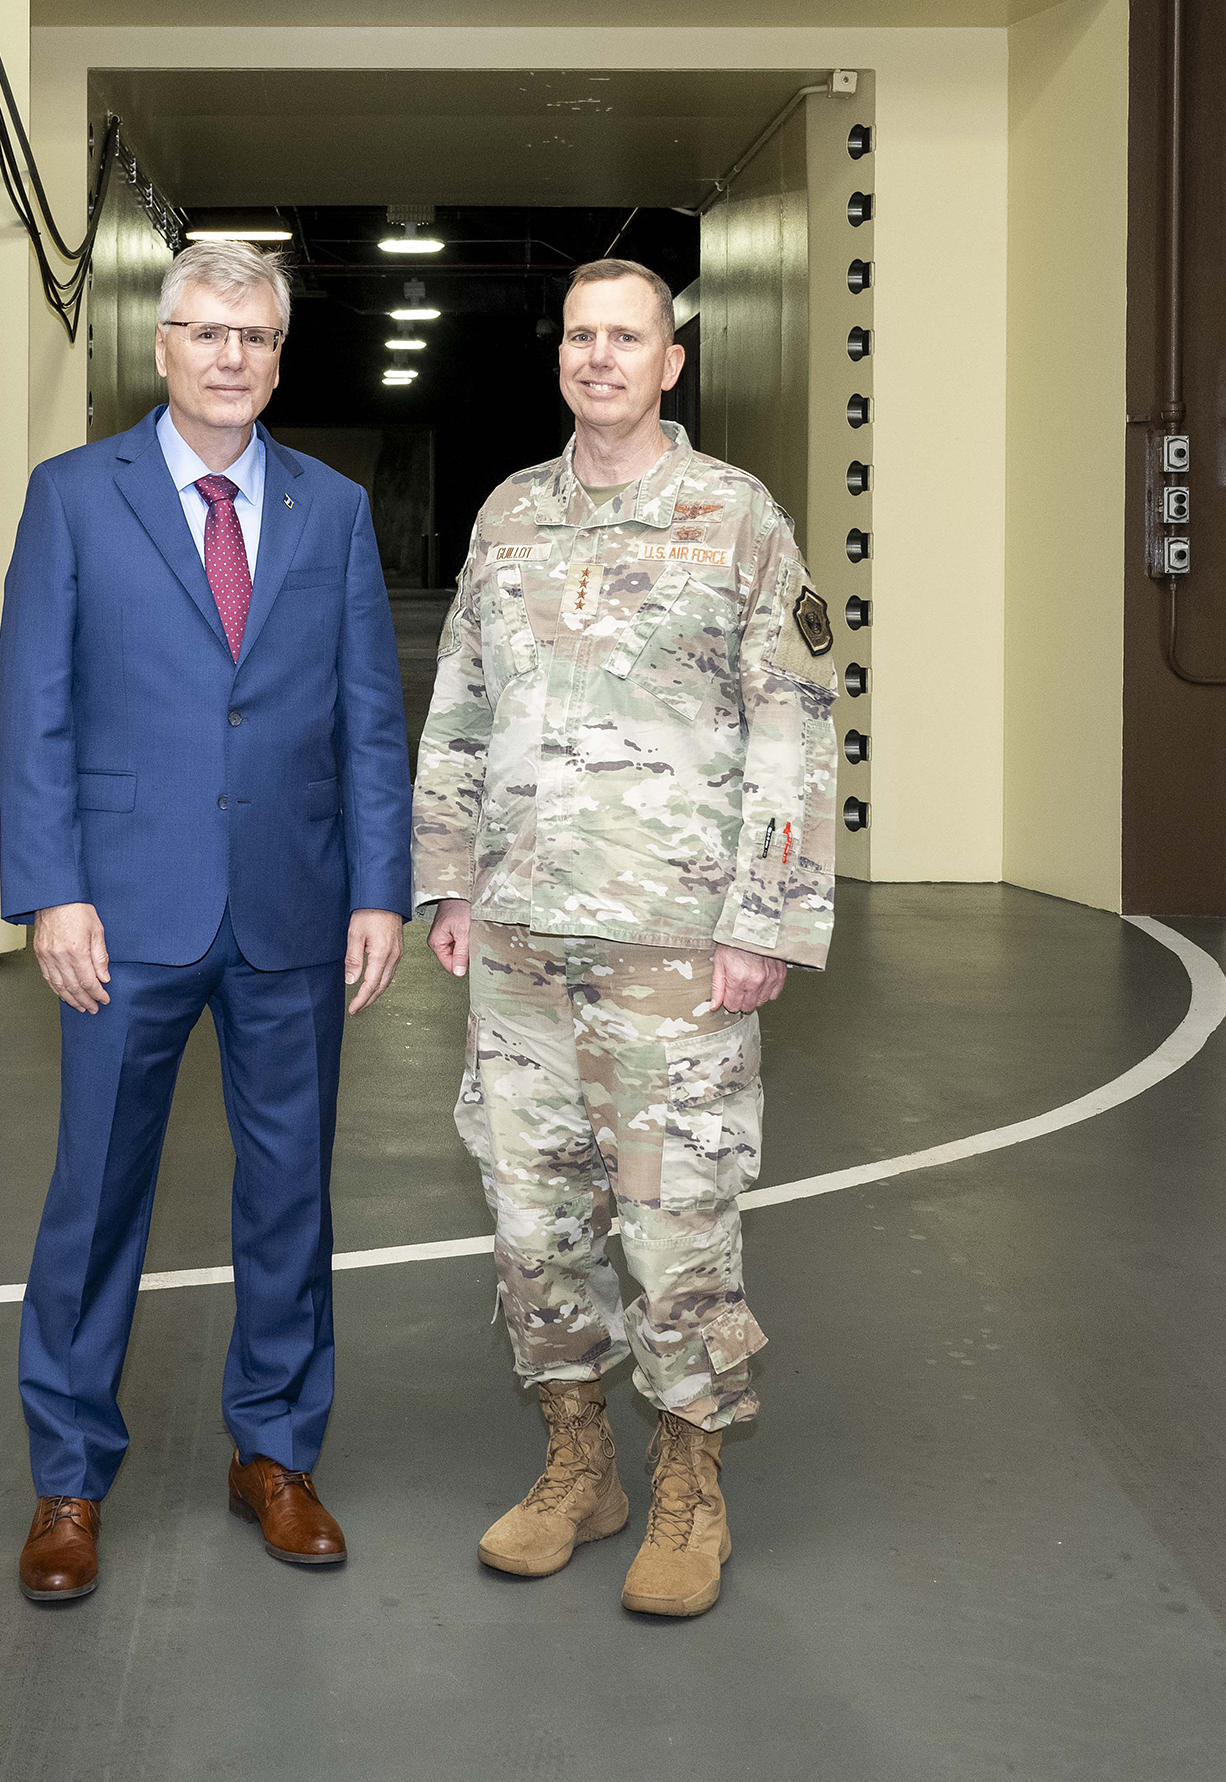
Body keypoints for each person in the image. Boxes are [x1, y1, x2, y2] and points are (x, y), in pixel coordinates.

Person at [411, 256, 840, 1621]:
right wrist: (450, 881)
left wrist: (763, 918)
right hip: (526, 940)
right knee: (535, 1225)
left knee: (677, 1230)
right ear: (565, 360)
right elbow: (461, 707)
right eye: (581, 336)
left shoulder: (734, 518)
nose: (601, 357)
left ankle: (690, 1488)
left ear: (671, 361)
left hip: (675, 948)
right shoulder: (510, 516)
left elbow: (794, 724)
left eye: (628, 337)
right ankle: (579, 1467)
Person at [0, 238, 413, 1605]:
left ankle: (276, 1455)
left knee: (287, 1197)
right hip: (123, 912)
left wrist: (377, 889)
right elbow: (35, 709)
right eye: (205, 332)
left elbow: (366, 716)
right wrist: (52, 888)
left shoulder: (332, 511)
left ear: (279, 358)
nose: (230, 356)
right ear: (160, 346)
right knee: (96, 1196)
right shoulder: (72, 498)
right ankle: (68, 1478)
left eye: (254, 337)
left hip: (294, 908)